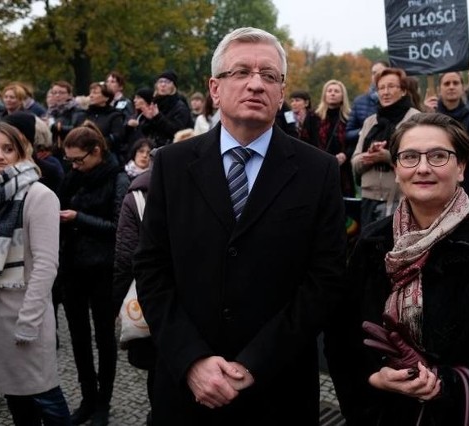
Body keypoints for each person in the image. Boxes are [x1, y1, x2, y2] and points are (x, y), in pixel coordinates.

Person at [133, 26, 347, 426]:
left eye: (269, 76)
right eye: (241, 72)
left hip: (278, 389)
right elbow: (151, 269)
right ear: (215, 88)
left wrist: (255, 363)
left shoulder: (317, 171)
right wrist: (192, 360)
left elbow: (325, 279)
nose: (256, 84)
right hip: (185, 390)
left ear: (282, 92)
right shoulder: (172, 165)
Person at [325, 112, 469, 426]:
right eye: (410, 157)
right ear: (397, 168)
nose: (423, 168)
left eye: (439, 156)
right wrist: (372, 378)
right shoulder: (372, 241)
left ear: (461, 167)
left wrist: (448, 383)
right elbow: (341, 335)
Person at [0, 121, 71, 425]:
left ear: (22, 152)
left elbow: (46, 265)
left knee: (46, 398)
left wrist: (28, 321)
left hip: (24, 316)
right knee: (16, 402)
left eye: (8, 149)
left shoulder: (39, 196)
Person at [58, 122, 130, 425]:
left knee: (104, 338)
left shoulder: (118, 179)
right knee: (78, 337)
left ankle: (103, 401)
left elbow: (118, 229)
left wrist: (78, 218)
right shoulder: (73, 178)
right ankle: (87, 398)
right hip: (72, 267)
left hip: (103, 269)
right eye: (70, 161)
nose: (75, 165)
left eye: (79, 159)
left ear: (96, 151)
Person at [112, 163, 155, 425]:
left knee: (158, 374)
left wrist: (117, 303)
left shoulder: (137, 192)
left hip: (150, 299)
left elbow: (125, 257)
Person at [351, 67, 419, 227]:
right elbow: (354, 162)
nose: (385, 92)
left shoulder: (415, 119)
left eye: (391, 87)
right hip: (369, 198)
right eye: (381, 88)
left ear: (403, 91)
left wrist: (387, 156)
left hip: (402, 198)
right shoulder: (370, 121)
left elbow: (418, 160)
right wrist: (368, 157)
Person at [424, 72, 469, 198]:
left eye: (455, 83)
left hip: (465, 182)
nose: (451, 87)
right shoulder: (430, 115)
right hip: (433, 180)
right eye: (447, 83)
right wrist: (426, 116)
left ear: (462, 88)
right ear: (439, 89)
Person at [314, 80, 355, 197]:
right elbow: (305, 140)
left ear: (343, 96)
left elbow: (356, 143)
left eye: (336, 91)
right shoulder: (313, 117)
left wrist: (345, 154)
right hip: (318, 168)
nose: (332, 93)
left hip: (342, 171)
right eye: (329, 91)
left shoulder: (349, 118)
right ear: (324, 95)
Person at [141, 70, 194, 147]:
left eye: (167, 82)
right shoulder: (155, 103)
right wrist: (148, 119)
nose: (163, 85)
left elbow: (177, 132)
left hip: (174, 149)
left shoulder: (180, 106)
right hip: (154, 149)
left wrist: (158, 117)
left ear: (174, 86)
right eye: (160, 81)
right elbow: (145, 132)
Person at [345, 60, 390, 145]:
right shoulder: (359, 102)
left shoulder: (396, 100)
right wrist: (362, 132)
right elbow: (347, 134)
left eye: (382, 72)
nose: (377, 75)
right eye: (374, 73)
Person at [85, 82, 127, 165]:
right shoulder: (86, 114)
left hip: (107, 156)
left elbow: (117, 136)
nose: (91, 96)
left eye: (95, 93)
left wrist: (99, 143)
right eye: (90, 93)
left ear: (106, 97)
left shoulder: (115, 115)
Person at [47, 81, 87, 163]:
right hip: (53, 152)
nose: (57, 95)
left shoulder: (77, 111)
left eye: (61, 93)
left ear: (69, 95)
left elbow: (77, 130)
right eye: (54, 93)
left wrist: (55, 127)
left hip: (70, 152)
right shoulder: (51, 112)